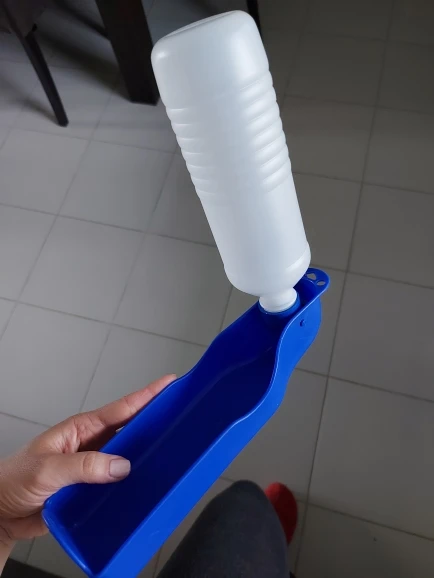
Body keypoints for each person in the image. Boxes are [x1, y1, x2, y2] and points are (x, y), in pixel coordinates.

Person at [0, 376, 298, 577]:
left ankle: (268, 542)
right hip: (90, 543)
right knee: (245, 504)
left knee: (243, 505)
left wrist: (3, 525)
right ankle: (270, 541)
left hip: (33, 519)